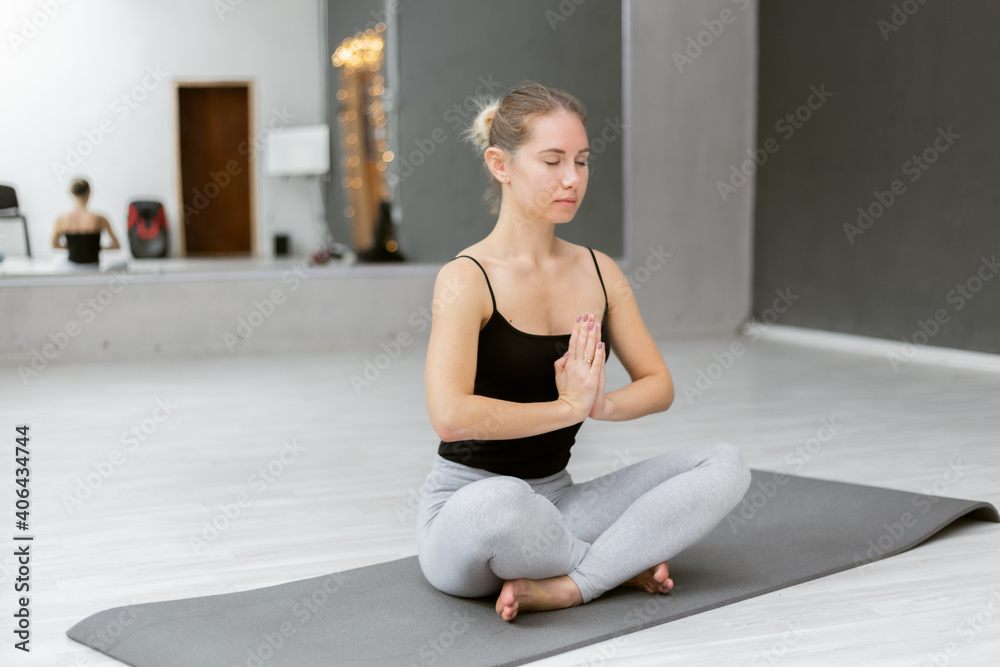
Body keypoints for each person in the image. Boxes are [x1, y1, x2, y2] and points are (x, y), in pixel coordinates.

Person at [417, 82, 752, 622]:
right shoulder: (466, 278)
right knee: (503, 503)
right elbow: (451, 417)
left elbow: (658, 385)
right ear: (500, 164)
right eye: (552, 161)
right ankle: (616, 565)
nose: (572, 178)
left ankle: (573, 585)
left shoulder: (599, 271)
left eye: (582, 161)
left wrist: (601, 404)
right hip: (468, 514)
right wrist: (565, 410)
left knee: (724, 464)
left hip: (562, 506)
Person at [51, 178, 121, 268]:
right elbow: (116, 245)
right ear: (89, 192)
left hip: (71, 268)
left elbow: (55, 245)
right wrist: (97, 248)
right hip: (93, 268)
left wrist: (74, 248)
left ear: (72, 193)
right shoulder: (100, 219)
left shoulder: (61, 219)